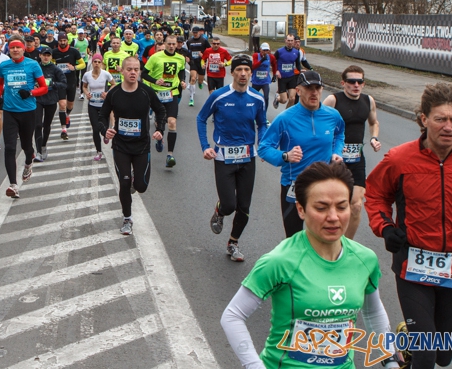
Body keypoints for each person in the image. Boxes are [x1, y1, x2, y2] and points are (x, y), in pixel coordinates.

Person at [221, 161, 403, 369]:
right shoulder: (280, 260)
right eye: (321, 207)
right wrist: (254, 365)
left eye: (341, 207)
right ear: (301, 209)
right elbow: (233, 316)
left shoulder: (365, 259)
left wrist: (389, 359)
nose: (333, 217)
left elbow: (373, 311)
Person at [365, 83, 452, 369]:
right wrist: (385, 227)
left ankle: (405, 338)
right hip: (413, 264)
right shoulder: (400, 159)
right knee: (427, 356)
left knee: (442, 355)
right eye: (440, 119)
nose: (448, 127)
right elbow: (376, 194)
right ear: (424, 118)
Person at [196, 55, 268, 262]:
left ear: (251, 73)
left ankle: (233, 243)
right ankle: (220, 210)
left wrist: (262, 144)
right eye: (239, 70)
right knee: (230, 205)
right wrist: (205, 147)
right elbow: (201, 118)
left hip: (247, 158)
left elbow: (262, 123)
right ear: (232, 72)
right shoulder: (219, 96)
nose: (243, 74)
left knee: (244, 206)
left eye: (247, 70)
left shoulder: (257, 98)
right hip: (223, 157)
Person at [258, 71, 345, 237]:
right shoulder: (285, 118)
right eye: (309, 88)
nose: (314, 92)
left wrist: (336, 152)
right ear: (298, 91)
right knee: (294, 237)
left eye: (317, 88)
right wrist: (285, 156)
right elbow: (263, 148)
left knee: (322, 235)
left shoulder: (333, 115)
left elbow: (339, 134)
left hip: (323, 184)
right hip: (294, 185)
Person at [99, 56, 166, 235]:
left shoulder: (146, 92)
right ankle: (127, 218)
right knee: (124, 182)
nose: (133, 72)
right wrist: (105, 130)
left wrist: (160, 130)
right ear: (122, 71)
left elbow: (160, 110)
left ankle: (136, 178)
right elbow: (102, 115)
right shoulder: (114, 93)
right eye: (129, 69)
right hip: (121, 146)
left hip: (142, 146)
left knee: (141, 186)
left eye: (136, 69)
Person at [323, 65, 380, 239]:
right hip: (335, 159)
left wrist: (374, 138)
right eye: (351, 81)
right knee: (332, 203)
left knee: (356, 205)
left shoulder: (368, 100)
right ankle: (326, 238)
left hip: (357, 159)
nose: (356, 85)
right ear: (343, 83)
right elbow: (319, 123)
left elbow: (373, 122)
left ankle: (346, 244)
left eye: (359, 81)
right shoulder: (333, 101)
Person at [0, 36, 48, 199]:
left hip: (28, 111)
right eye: (12, 48)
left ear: (23, 49)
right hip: (9, 111)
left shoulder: (32, 65)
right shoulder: (4, 65)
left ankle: (28, 163)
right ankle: (13, 185)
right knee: (10, 147)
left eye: (18, 47)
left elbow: (44, 88)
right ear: (8, 50)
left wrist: (31, 92)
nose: (15, 50)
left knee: (27, 146)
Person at [142, 34, 186, 168]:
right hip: (157, 94)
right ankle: (159, 136)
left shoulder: (181, 58)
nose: (172, 46)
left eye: (174, 44)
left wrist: (182, 82)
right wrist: (156, 81)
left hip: (172, 93)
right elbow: (143, 74)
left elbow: (181, 73)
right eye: (169, 44)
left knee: (172, 122)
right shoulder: (155, 57)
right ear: (165, 44)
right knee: (158, 121)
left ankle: (170, 155)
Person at [34, 46, 67, 160]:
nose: (46, 57)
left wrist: (52, 83)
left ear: (51, 57)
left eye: (48, 55)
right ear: (40, 56)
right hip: (38, 99)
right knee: (37, 125)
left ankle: (43, 145)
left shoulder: (55, 69)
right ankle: (38, 152)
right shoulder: (35, 67)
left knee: (46, 125)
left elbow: (64, 84)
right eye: (44, 55)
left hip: (51, 100)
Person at [82, 53, 115, 161]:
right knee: (95, 129)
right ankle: (99, 151)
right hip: (92, 105)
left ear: (101, 63)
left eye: (98, 62)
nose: (96, 64)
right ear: (92, 63)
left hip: (104, 105)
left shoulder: (106, 74)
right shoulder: (87, 75)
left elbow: (114, 84)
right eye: (95, 62)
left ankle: (105, 134)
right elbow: (84, 86)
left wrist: (107, 93)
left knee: (103, 128)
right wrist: (87, 93)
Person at [52, 31, 86, 134]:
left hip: (71, 81)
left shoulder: (74, 51)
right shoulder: (54, 52)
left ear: (67, 41)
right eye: (61, 40)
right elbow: (52, 63)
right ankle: (64, 129)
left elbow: (83, 64)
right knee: (62, 104)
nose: (63, 42)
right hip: (60, 82)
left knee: (70, 105)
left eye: (64, 40)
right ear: (58, 41)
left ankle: (67, 114)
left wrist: (74, 67)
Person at [272, 34, 303, 110]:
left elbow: (298, 64)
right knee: (284, 100)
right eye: (288, 40)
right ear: (285, 41)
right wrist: (276, 71)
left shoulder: (296, 52)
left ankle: (287, 115)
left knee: (292, 98)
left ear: (293, 41)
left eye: (291, 41)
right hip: (282, 78)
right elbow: (272, 61)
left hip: (291, 77)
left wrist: (301, 71)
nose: (290, 42)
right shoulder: (279, 51)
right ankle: (277, 98)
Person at [184, 26, 211, 106]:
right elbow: (187, 50)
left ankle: (200, 83)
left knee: (200, 80)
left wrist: (203, 54)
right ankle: (191, 98)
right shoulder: (189, 41)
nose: (195, 34)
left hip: (201, 62)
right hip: (193, 62)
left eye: (196, 32)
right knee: (193, 78)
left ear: (199, 32)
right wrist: (188, 57)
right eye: (194, 32)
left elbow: (209, 50)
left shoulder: (204, 41)